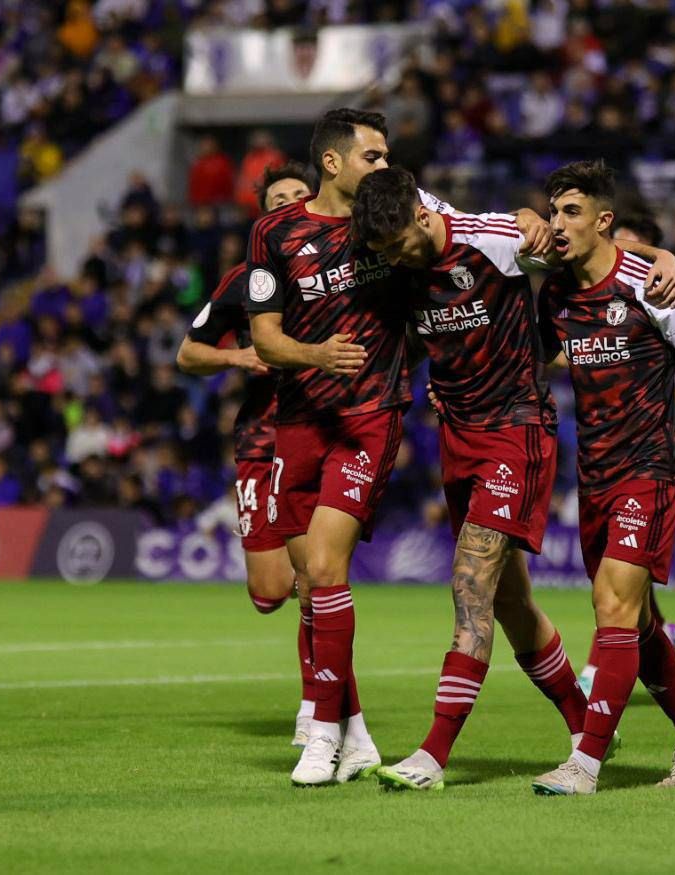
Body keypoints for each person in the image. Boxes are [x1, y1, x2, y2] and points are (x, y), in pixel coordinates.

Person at [244, 107, 550, 787]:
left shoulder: (396, 214)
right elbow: (263, 337)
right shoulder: (273, 233)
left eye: (387, 158)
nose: (385, 166)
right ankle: (353, 734)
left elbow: (498, 230)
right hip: (297, 418)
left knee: (329, 566)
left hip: (371, 416)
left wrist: (536, 219)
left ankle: (322, 733)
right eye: (373, 156)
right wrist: (314, 353)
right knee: (306, 586)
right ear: (333, 162)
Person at [347, 167, 589, 792]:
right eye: (386, 253)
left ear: (423, 217)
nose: (398, 258)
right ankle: (590, 729)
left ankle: (432, 756)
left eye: (401, 244)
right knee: (510, 603)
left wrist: (660, 255)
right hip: (459, 438)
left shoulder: (495, 240)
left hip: (518, 427)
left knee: (469, 584)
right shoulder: (396, 268)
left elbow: (589, 249)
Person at [531, 161, 675, 795]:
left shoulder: (651, 283)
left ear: (604, 221)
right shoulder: (555, 292)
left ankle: (584, 765)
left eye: (571, 213)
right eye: (553, 213)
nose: (558, 225)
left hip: (649, 470)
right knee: (635, 622)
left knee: (613, 607)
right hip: (595, 475)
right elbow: (536, 357)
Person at [176, 162, 316, 746]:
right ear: (264, 215)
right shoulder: (244, 279)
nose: (287, 206)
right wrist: (237, 358)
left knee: (319, 575)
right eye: (277, 199)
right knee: (269, 593)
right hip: (261, 437)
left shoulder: (343, 266)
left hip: (321, 431)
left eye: (298, 197)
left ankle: (320, 705)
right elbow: (187, 354)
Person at [575, 200, 675, 695]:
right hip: (601, 456)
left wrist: (658, 393)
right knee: (625, 588)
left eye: (623, 239)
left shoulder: (661, 294)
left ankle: (592, 679)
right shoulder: (593, 299)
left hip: (651, 454)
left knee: (616, 590)